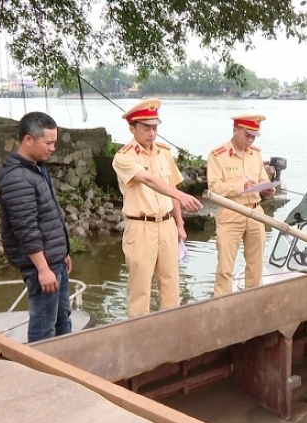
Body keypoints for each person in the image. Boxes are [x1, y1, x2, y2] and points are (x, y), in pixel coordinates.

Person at [112, 98, 203, 317]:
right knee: (140, 288)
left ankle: (171, 329)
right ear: (132, 128)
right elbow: (148, 180)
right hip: (141, 227)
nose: (152, 133)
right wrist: (180, 195)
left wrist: (179, 224)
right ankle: (138, 331)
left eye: (155, 127)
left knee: (171, 284)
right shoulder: (123, 157)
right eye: (146, 128)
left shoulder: (164, 152)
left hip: (167, 224)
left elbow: (171, 186)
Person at [0, 112, 72, 343]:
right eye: (48, 143)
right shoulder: (17, 178)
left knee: (62, 320)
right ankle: (38, 364)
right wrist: (42, 268)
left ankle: (64, 362)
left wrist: (63, 252)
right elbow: (26, 228)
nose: (52, 149)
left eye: (54, 143)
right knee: (44, 326)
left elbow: (49, 215)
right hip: (43, 265)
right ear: (28, 139)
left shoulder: (36, 167)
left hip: (55, 259)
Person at [206, 113, 275, 295]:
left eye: (254, 136)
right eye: (247, 135)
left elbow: (262, 179)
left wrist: (267, 189)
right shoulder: (218, 155)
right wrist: (241, 187)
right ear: (235, 130)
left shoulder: (256, 154)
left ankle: (253, 300)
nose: (250, 140)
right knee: (225, 267)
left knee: (256, 265)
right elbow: (214, 188)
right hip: (231, 212)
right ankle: (222, 303)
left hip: (255, 211)